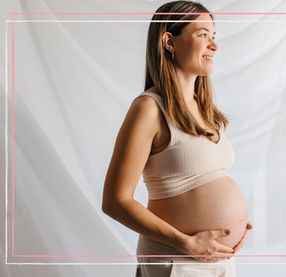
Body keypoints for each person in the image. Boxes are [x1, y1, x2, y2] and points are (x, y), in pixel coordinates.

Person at [102, 1, 252, 276]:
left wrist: (236, 225)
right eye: (202, 35)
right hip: (177, 260)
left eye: (214, 36)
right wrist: (187, 243)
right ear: (169, 41)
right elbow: (115, 200)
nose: (214, 46)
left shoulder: (204, 110)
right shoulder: (149, 108)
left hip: (215, 260)